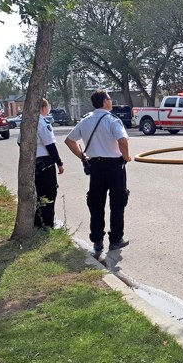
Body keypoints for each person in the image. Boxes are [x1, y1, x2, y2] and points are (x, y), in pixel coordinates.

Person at [65, 90, 132, 258]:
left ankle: (97, 240)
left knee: (96, 204)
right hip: (114, 166)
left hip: (95, 167)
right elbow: (122, 140)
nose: (111, 101)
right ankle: (116, 238)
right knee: (117, 202)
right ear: (104, 102)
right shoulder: (112, 120)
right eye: (109, 98)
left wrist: (83, 156)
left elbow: (69, 140)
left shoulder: (86, 121)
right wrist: (126, 156)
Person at [22, 98, 65, 228]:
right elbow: (50, 145)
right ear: (43, 108)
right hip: (45, 162)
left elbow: (20, 142)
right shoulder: (42, 123)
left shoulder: (27, 123)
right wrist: (59, 162)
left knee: (38, 192)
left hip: (32, 162)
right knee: (49, 192)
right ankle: (47, 223)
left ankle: (38, 221)